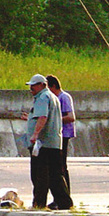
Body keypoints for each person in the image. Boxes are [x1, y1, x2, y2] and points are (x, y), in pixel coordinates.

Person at [23, 74, 72, 210]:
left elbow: (43, 117)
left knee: (39, 175)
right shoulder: (53, 97)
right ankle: (65, 202)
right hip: (54, 143)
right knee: (55, 175)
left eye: (34, 85)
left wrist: (35, 134)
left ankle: (39, 203)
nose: (31, 88)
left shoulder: (42, 97)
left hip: (43, 144)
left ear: (42, 85)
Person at [45, 75, 75, 206]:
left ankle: (64, 196)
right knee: (55, 167)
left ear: (52, 87)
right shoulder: (54, 99)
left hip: (64, 134)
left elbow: (71, 116)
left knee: (62, 166)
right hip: (56, 135)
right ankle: (58, 197)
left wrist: (55, 119)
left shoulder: (64, 97)